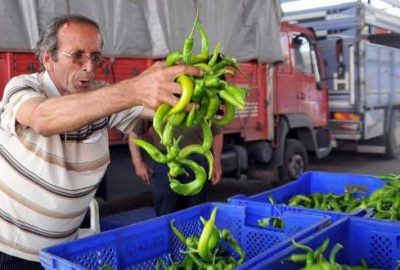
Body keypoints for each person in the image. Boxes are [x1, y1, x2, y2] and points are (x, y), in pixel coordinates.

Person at [0, 14, 202, 268]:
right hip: (10, 252)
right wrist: (134, 89)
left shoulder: (101, 96)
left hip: (62, 252)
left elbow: (158, 108)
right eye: (77, 56)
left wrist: (197, 96)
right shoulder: (23, 88)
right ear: (48, 59)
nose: (89, 67)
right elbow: (43, 118)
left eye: (95, 57)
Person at [129, 119, 223, 216]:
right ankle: (166, 229)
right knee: (166, 207)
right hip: (165, 161)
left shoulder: (200, 105)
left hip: (196, 160)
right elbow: (133, 135)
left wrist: (216, 161)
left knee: (196, 206)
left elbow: (217, 133)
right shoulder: (156, 105)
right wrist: (137, 162)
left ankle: (195, 229)